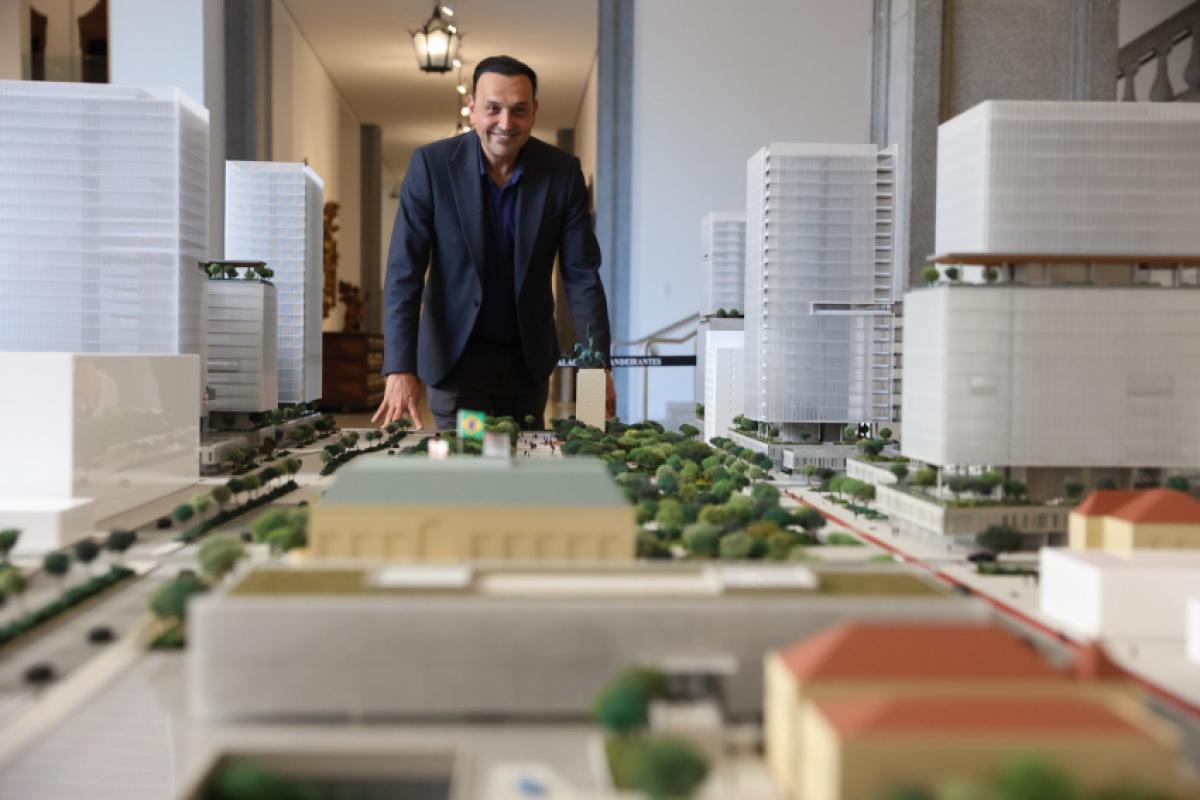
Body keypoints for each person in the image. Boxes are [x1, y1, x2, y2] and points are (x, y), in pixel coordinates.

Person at [373, 54, 615, 431]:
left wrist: (595, 367)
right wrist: (400, 367)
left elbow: (582, 276)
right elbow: (405, 272)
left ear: (534, 111)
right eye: (493, 109)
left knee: (520, 475)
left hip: (526, 365)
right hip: (456, 365)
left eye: (519, 110)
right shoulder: (431, 167)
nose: (506, 123)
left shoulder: (561, 174)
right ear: (471, 108)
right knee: (465, 473)